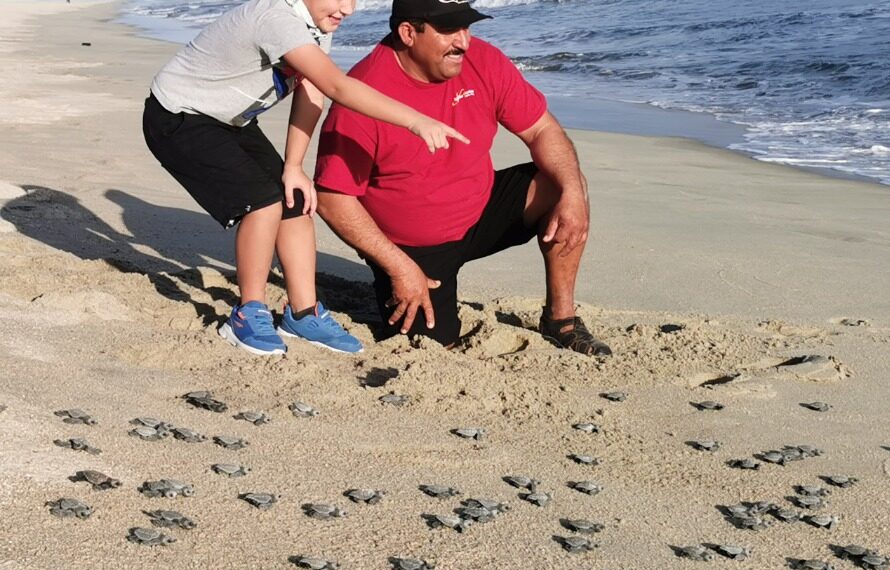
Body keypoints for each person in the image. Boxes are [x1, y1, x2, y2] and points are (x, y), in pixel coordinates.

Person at [143, 0, 467, 356]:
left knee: (295, 201)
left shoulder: (316, 25)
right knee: (264, 204)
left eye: (354, 0)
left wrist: (294, 167)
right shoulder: (275, 18)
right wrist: (415, 120)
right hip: (178, 117)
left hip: (231, 121)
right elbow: (336, 87)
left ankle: (303, 314)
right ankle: (247, 313)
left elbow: (311, 90)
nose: (348, 9)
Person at [313, 0, 611, 356]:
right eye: (449, 30)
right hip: (413, 249)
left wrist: (574, 193)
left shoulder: (482, 60)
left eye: (466, 27)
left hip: (480, 209)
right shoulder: (363, 93)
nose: (463, 42)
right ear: (408, 33)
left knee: (561, 184)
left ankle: (560, 319)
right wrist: (398, 266)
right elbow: (333, 197)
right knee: (432, 347)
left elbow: (542, 129)